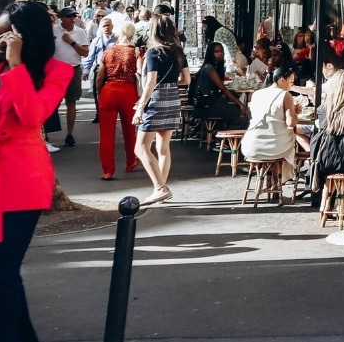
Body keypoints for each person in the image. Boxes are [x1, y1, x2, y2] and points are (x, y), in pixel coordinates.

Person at [0, 1, 74, 342]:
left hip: (20, 183)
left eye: (6, 34)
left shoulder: (56, 71)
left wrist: (16, 65)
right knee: (0, 277)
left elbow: (31, 116)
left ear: (25, 36)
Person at [132, 16, 186, 206]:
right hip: (173, 99)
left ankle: (160, 188)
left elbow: (151, 82)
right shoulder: (178, 52)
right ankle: (160, 188)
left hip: (156, 99)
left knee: (141, 147)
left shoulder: (153, 52)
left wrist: (140, 107)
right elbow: (186, 79)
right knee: (163, 148)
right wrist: (172, 83)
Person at [240, 66, 310, 187]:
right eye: (291, 82)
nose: (291, 85)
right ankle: (275, 182)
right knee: (289, 139)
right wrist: (296, 111)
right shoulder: (285, 95)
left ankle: (270, 180)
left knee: (280, 137)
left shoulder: (256, 94)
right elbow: (291, 123)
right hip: (272, 148)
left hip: (250, 145)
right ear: (282, 80)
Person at [94, 22, 143, 180]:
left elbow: (100, 76)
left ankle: (108, 169)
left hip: (109, 90)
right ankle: (131, 161)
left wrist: (100, 92)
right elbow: (140, 74)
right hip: (129, 91)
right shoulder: (136, 52)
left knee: (106, 133)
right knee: (130, 130)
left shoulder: (109, 51)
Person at [51, 6, 90, 149]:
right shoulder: (54, 30)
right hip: (56, 70)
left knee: (71, 102)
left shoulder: (79, 32)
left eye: (74, 16)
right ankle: (48, 134)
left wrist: (71, 42)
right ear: (61, 18)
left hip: (74, 68)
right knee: (52, 102)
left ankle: (69, 134)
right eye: (69, 16)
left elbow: (85, 52)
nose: (72, 19)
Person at [192, 42, 250, 130]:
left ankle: (224, 135)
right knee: (241, 116)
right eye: (216, 51)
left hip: (208, 104)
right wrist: (240, 104)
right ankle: (226, 138)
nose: (220, 54)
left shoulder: (213, 67)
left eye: (221, 51)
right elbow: (223, 88)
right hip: (206, 107)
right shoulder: (209, 68)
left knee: (236, 112)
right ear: (211, 53)